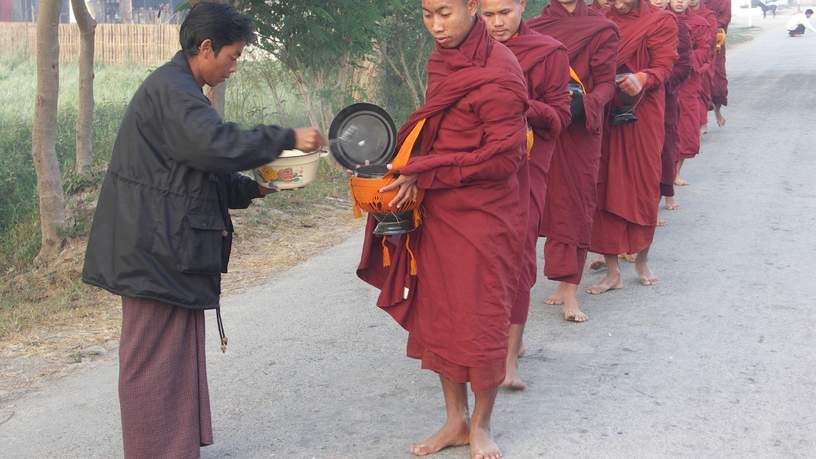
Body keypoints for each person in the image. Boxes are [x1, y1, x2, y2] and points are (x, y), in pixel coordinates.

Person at [81, 3, 325, 458]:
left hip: (163, 245)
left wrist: (255, 188)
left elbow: (197, 170)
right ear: (206, 47)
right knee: (153, 360)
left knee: (175, 355)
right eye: (232, 57)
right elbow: (215, 147)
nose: (233, 67)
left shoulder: (183, 91)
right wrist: (286, 137)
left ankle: (176, 447)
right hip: (151, 249)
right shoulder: (173, 92)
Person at [357, 1, 529, 457]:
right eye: (427, 14)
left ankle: (481, 424)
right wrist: (407, 167)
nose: (436, 25)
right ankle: (454, 420)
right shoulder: (442, 58)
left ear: (473, 6)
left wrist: (425, 168)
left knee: (481, 315)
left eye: (445, 13)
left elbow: (504, 158)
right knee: (442, 314)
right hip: (439, 209)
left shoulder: (501, 72)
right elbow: (438, 127)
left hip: (485, 213)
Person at [481, 0, 572, 389]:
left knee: (518, 255)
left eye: (505, 12)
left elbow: (561, 116)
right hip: (475, 167)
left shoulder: (548, 52)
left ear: (521, 5)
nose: (497, 23)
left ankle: (509, 356)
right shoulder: (461, 52)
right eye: (488, 15)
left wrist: (521, 105)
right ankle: (482, 345)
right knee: (480, 257)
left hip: (527, 166)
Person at [529, 0, 619, 322]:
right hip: (546, 125)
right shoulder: (535, 27)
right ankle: (559, 281)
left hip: (582, 127)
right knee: (550, 202)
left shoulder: (601, 27)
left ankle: (569, 289)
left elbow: (608, 83)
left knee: (575, 203)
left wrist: (588, 104)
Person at [587, 0, 678, 294]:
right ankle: (613, 271)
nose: (619, 3)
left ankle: (641, 259)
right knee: (605, 187)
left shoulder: (660, 20)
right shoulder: (600, 19)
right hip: (607, 110)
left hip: (644, 112)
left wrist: (643, 77)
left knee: (643, 184)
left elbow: (664, 66)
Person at [654, 0, 692, 213]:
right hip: (632, 95)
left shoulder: (677, 24)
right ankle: (646, 204)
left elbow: (684, 64)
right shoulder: (632, 21)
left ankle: (664, 195)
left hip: (664, 95)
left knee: (665, 147)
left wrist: (659, 81)